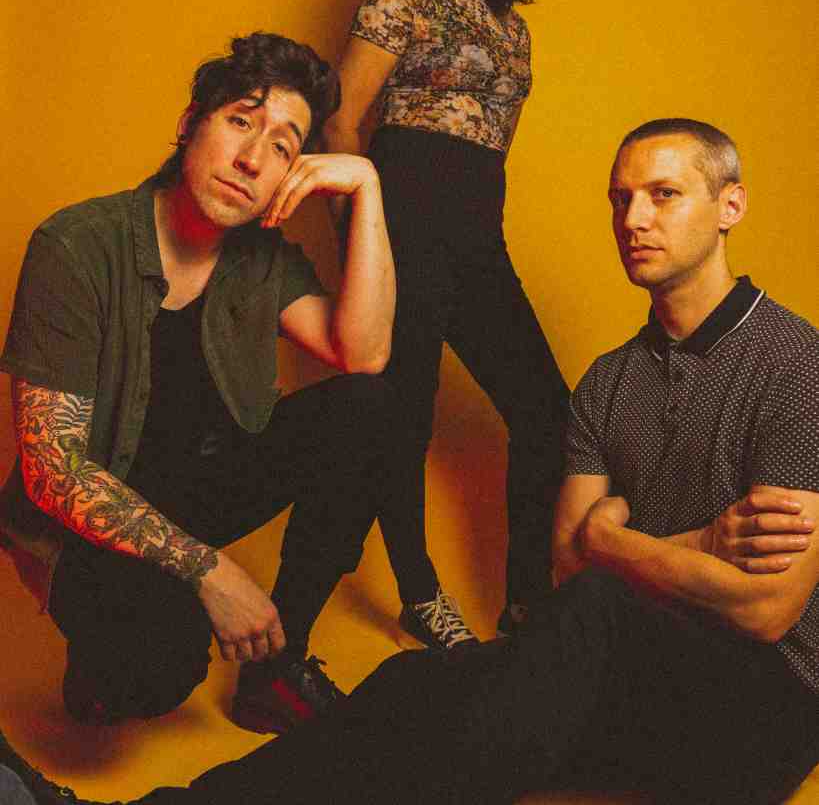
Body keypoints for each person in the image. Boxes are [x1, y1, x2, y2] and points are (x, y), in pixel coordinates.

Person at [5, 118, 816, 805]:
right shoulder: (608, 383)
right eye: (619, 197)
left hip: (762, 713)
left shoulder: (794, 366)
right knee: (413, 686)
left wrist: (613, 542)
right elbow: (566, 567)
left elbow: (765, 610)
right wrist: (689, 547)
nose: (632, 218)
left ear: (729, 205)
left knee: (567, 635)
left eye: (663, 195)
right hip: (620, 688)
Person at [0, 31, 397, 735]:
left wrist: (367, 188)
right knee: (155, 665)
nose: (252, 159)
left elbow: (363, 354)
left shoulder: (263, 260)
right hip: (84, 517)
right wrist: (211, 571)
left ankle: (275, 668)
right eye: (241, 121)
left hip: (195, 488)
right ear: (190, 123)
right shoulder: (77, 246)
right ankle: (101, 656)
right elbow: (54, 472)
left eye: (283, 147)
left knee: (370, 407)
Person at [324, 0, 569, 649]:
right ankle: (419, 591)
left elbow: (490, 146)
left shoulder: (512, 26)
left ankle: (527, 599)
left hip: (475, 234)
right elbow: (342, 120)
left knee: (546, 410)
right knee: (405, 415)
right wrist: (362, 244)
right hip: (403, 220)